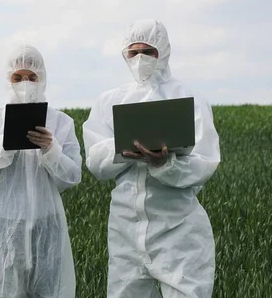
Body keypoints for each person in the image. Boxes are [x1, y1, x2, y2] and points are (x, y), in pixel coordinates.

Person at [82, 20, 221, 297]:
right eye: (133, 53)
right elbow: (96, 160)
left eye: (149, 51)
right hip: (126, 230)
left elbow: (205, 161)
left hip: (177, 227)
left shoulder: (189, 97)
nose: (140, 58)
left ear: (164, 53)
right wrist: (123, 149)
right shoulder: (110, 101)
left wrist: (165, 164)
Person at [0, 44, 82, 298]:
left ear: (42, 78)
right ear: (7, 79)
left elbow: (72, 176)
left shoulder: (61, 122)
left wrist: (51, 149)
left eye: (32, 77)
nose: (25, 83)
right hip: (0, 228)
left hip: (47, 227)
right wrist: (1, 145)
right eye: (18, 77)